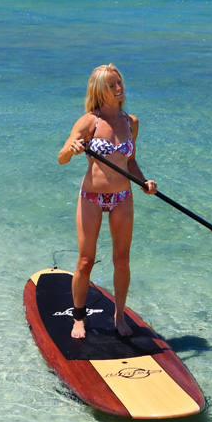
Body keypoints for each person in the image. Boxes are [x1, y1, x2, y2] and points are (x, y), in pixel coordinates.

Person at [58, 64, 157, 339]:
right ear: (100, 90)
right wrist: (72, 149)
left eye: (119, 83)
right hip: (91, 197)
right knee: (86, 260)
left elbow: (131, 162)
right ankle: (78, 318)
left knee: (122, 259)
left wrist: (144, 182)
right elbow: (61, 157)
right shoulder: (89, 122)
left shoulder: (131, 122)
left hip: (123, 197)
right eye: (112, 85)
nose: (119, 88)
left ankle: (120, 316)